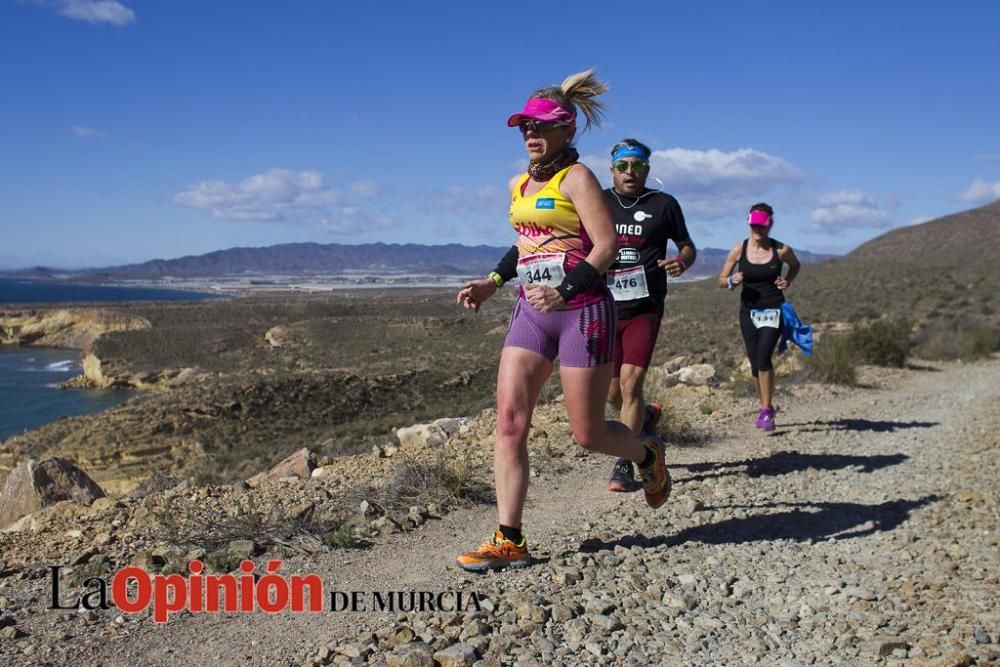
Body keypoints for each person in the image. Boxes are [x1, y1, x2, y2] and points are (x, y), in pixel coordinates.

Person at [455, 71, 671, 572]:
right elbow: (526, 241)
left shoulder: (578, 178)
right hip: (532, 310)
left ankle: (646, 454)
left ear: (567, 130)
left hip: (582, 310)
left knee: (588, 434)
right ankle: (509, 539)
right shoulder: (519, 183)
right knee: (510, 422)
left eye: (541, 126)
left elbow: (607, 246)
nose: (530, 133)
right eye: (523, 126)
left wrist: (567, 289)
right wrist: (493, 280)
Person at [602, 138, 697, 492]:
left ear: (647, 170)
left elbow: (687, 244)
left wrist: (683, 261)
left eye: (638, 166)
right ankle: (647, 418)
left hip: (645, 306)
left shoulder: (664, 204)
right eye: (624, 166)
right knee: (612, 392)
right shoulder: (597, 201)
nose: (631, 172)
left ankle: (625, 463)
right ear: (612, 169)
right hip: (605, 307)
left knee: (631, 384)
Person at [718, 203, 801, 431]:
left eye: (762, 225)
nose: (758, 229)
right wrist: (731, 281)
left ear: (770, 224)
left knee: (764, 358)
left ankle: (766, 409)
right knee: (756, 363)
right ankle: (764, 405)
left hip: (773, 310)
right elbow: (721, 279)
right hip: (748, 312)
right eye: (754, 225)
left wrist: (788, 279)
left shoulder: (781, 250)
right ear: (748, 223)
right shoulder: (738, 250)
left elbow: (795, 265)